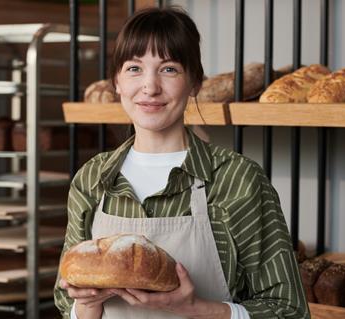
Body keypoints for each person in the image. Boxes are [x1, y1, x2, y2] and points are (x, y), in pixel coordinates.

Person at [54, 6, 310, 319]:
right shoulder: (92, 179)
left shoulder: (237, 179)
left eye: (169, 69)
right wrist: (87, 305)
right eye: (134, 68)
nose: (150, 86)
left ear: (195, 83)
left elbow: (289, 311)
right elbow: (67, 305)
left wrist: (195, 309)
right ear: (117, 82)